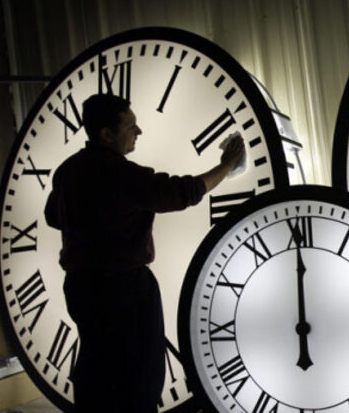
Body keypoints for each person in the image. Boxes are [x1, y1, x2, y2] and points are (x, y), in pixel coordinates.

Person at [44, 93, 245, 412]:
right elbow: (183, 193)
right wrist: (228, 165)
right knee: (138, 381)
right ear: (107, 134)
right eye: (131, 126)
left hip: (81, 287)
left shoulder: (68, 171)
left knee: (97, 370)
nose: (138, 132)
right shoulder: (122, 176)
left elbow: (53, 216)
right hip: (126, 291)